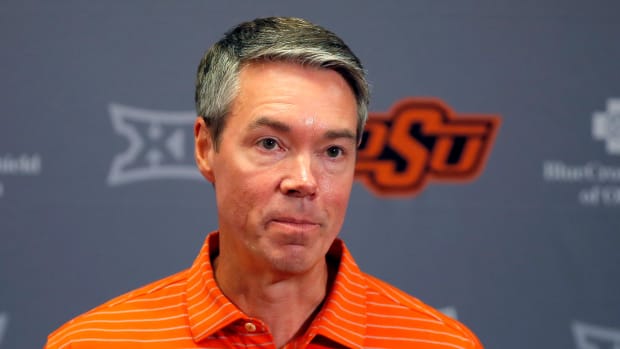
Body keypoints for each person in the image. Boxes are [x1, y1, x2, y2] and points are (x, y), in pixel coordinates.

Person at [46, 17, 483, 349]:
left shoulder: (441, 342)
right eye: (271, 143)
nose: (304, 181)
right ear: (205, 147)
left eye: (333, 151)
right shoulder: (94, 341)